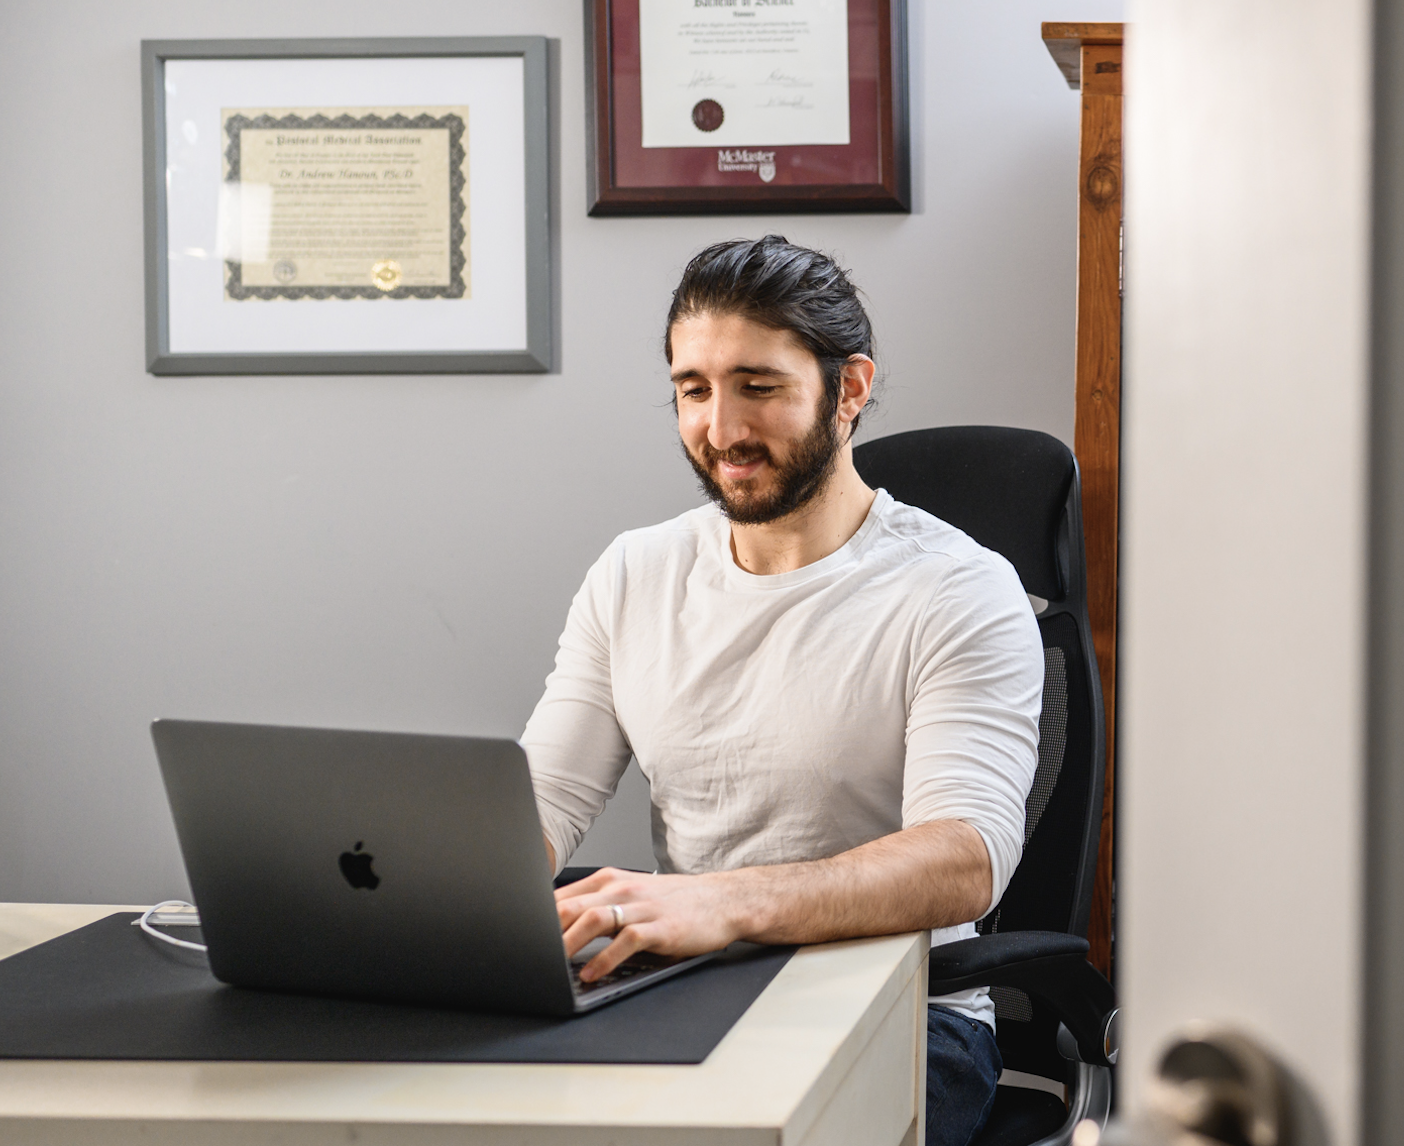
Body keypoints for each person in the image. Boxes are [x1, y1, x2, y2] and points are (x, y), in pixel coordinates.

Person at [521, 235, 1042, 1146]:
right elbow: (540, 803)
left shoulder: (958, 587)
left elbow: (967, 857)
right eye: (693, 389)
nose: (720, 430)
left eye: (758, 387)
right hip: (685, 988)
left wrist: (722, 903)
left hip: (911, 1015)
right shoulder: (635, 572)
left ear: (848, 390)